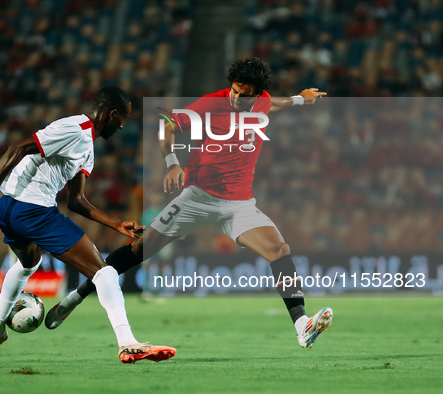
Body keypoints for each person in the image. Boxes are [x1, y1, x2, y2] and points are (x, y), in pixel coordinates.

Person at [46, 58, 333, 349]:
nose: (235, 97)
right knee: (138, 250)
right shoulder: (211, 104)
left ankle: (302, 326)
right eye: (234, 89)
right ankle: (75, 297)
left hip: (239, 203)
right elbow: (167, 127)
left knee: (279, 250)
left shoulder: (261, 101)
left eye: (243, 94)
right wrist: (172, 163)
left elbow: (274, 103)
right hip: (197, 197)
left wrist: (300, 99)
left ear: (257, 93)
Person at [0, 87, 176, 363]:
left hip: (11, 211)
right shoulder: (75, 129)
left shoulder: (87, 148)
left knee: (29, 263)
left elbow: (77, 201)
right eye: (121, 118)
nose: (122, 125)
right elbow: (17, 148)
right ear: (111, 114)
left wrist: (117, 224)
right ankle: (128, 343)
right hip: (32, 209)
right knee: (105, 273)